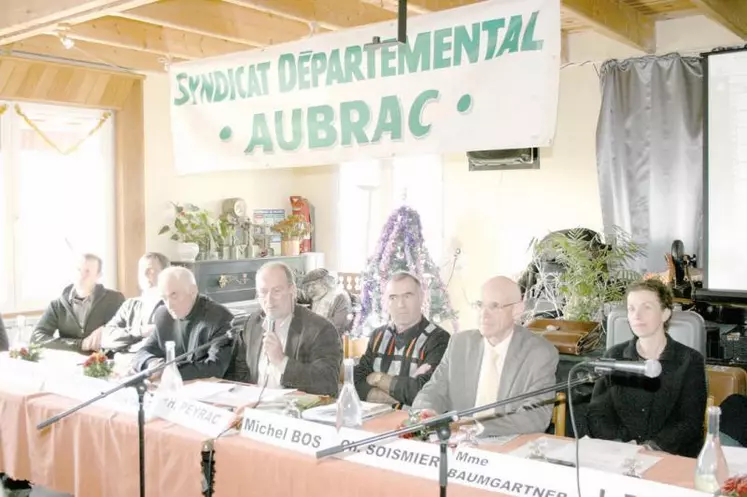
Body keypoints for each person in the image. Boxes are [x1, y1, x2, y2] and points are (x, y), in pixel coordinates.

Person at [412, 276, 558, 436]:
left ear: (517, 310)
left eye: (494, 306)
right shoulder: (460, 344)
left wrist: (475, 426)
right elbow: (433, 390)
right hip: (458, 445)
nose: (484, 314)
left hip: (508, 446)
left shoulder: (539, 353)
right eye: (480, 305)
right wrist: (426, 412)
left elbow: (535, 416)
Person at [585, 279, 707, 457]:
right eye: (631, 308)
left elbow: (689, 422)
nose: (637, 315)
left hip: (671, 457)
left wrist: (651, 447)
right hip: (621, 454)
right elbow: (597, 413)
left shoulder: (689, 360)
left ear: (665, 313)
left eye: (646, 307)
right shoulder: (614, 356)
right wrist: (621, 445)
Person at [224, 261, 341, 396]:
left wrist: (282, 361)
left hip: (295, 412)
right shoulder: (253, 323)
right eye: (263, 292)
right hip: (255, 409)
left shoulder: (320, 329)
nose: (269, 299)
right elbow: (239, 372)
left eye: (277, 291)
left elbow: (327, 384)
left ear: (292, 290)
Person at [354, 271, 450, 406]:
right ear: (386, 301)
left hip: (415, 424)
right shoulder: (378, 336)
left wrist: (377, 378)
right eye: (393, 297)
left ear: (421, 298)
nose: (400, 304)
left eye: (407, 296)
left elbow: (424, 393)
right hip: (375, 422)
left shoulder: (439, 339)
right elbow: (356, 382)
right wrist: (398, 397)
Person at [130, 266, 234, 380]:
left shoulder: (219, 317)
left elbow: (215, 367)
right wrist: (151, 363)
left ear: (193, 291)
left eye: (174, 295)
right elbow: (143, 352)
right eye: (164, 298)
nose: (169, 305)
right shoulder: (163, 315)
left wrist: (167, 370)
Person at [31, 254, 125, 352]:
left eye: (87, 271)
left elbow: (129, 332)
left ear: (98, 275)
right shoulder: (57, 305)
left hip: (106, 363)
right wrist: (79, 344)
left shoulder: (115, 299)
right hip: (71, 363)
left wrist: (106, 331)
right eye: (78, 270)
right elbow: (36, 338)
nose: (81, 275)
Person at [101, 252, 170, 352]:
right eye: (141, 270)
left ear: (165, 273)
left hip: (151, 364)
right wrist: (141, 331)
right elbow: (106, 337)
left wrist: (125, 345)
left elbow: (156, 344)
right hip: (122, 363)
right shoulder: (130, 305)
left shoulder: (171, 305)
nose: (144, 274)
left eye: (150, 270)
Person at [300, 268, 353, 334]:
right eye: (307, 287)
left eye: (313, 285)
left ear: (324, 283)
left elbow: (337, 327)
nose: (309, 290)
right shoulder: (318, 296)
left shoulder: (340, 297)